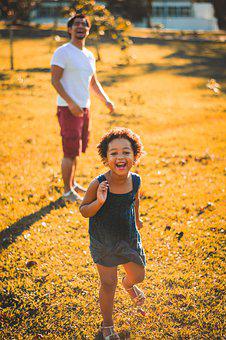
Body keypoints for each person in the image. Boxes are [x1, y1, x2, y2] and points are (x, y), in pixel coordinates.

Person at [79, 127, 146, 339]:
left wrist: (137, 219)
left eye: (126, 152)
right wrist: (99, 202)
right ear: (106, 157)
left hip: (127, 236)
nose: (120, 157)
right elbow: (84, 211)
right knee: (109, 284)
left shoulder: (135, 180)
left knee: (138, 275)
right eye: (114, 153)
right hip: (104, 241)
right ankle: (107, 325)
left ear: (134, 156)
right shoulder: (98, 184)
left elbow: (134, 200)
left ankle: (129, 285)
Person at [51, 14, 114, 202]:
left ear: (88, 30)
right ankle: (66, 191)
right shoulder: (63, 52)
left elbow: (93, 83)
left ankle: (73, 183)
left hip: (84, 108)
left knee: (77, 149)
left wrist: (106, 100)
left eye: (84, 24)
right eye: (76, 24)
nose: (80, 26)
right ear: (69, 29)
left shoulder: (89, 55)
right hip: (68, 108)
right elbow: (55, 80)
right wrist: (71, 103)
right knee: (69, 151)